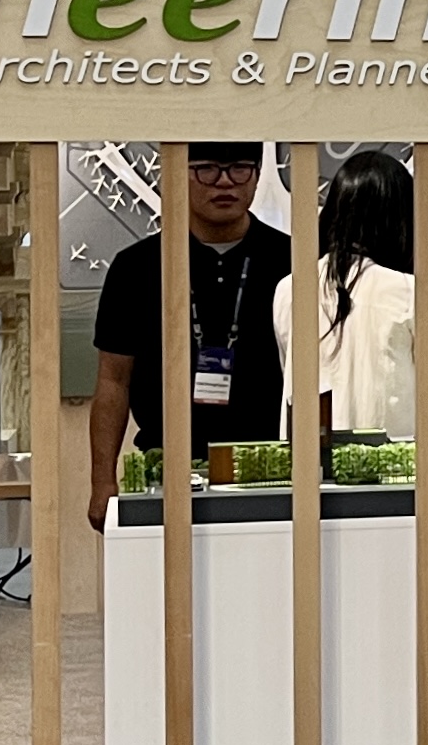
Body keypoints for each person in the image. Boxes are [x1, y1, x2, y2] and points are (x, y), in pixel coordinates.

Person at [87, 145, 291, 527]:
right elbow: (113, 381)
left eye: (240, 168)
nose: (225, 182)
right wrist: (102, 481)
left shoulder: (291, 261)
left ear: (258, 174)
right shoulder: (136, 266)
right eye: (207, 169)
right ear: (179, 175)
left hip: (272, 468)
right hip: (166, 468)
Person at [279, 149, 428, 440]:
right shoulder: (412, 292)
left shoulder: (289, 288)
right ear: (404, 219)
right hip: (392, 460)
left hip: (310, 456)